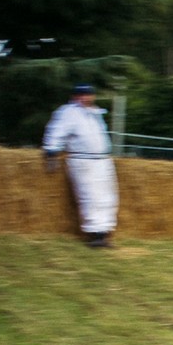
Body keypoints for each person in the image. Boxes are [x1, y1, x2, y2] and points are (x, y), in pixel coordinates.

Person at [42, 85, 118, 247]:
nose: (87, 98)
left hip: (102, 160)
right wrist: (52, 148)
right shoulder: (69, 112)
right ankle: (94, 233)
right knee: (90, 195)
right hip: (83, 159)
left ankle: (104, 231)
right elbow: (57, 129)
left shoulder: (95, 113)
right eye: (82, 95)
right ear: (75, 96)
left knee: (107, 196)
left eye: (89, 95)